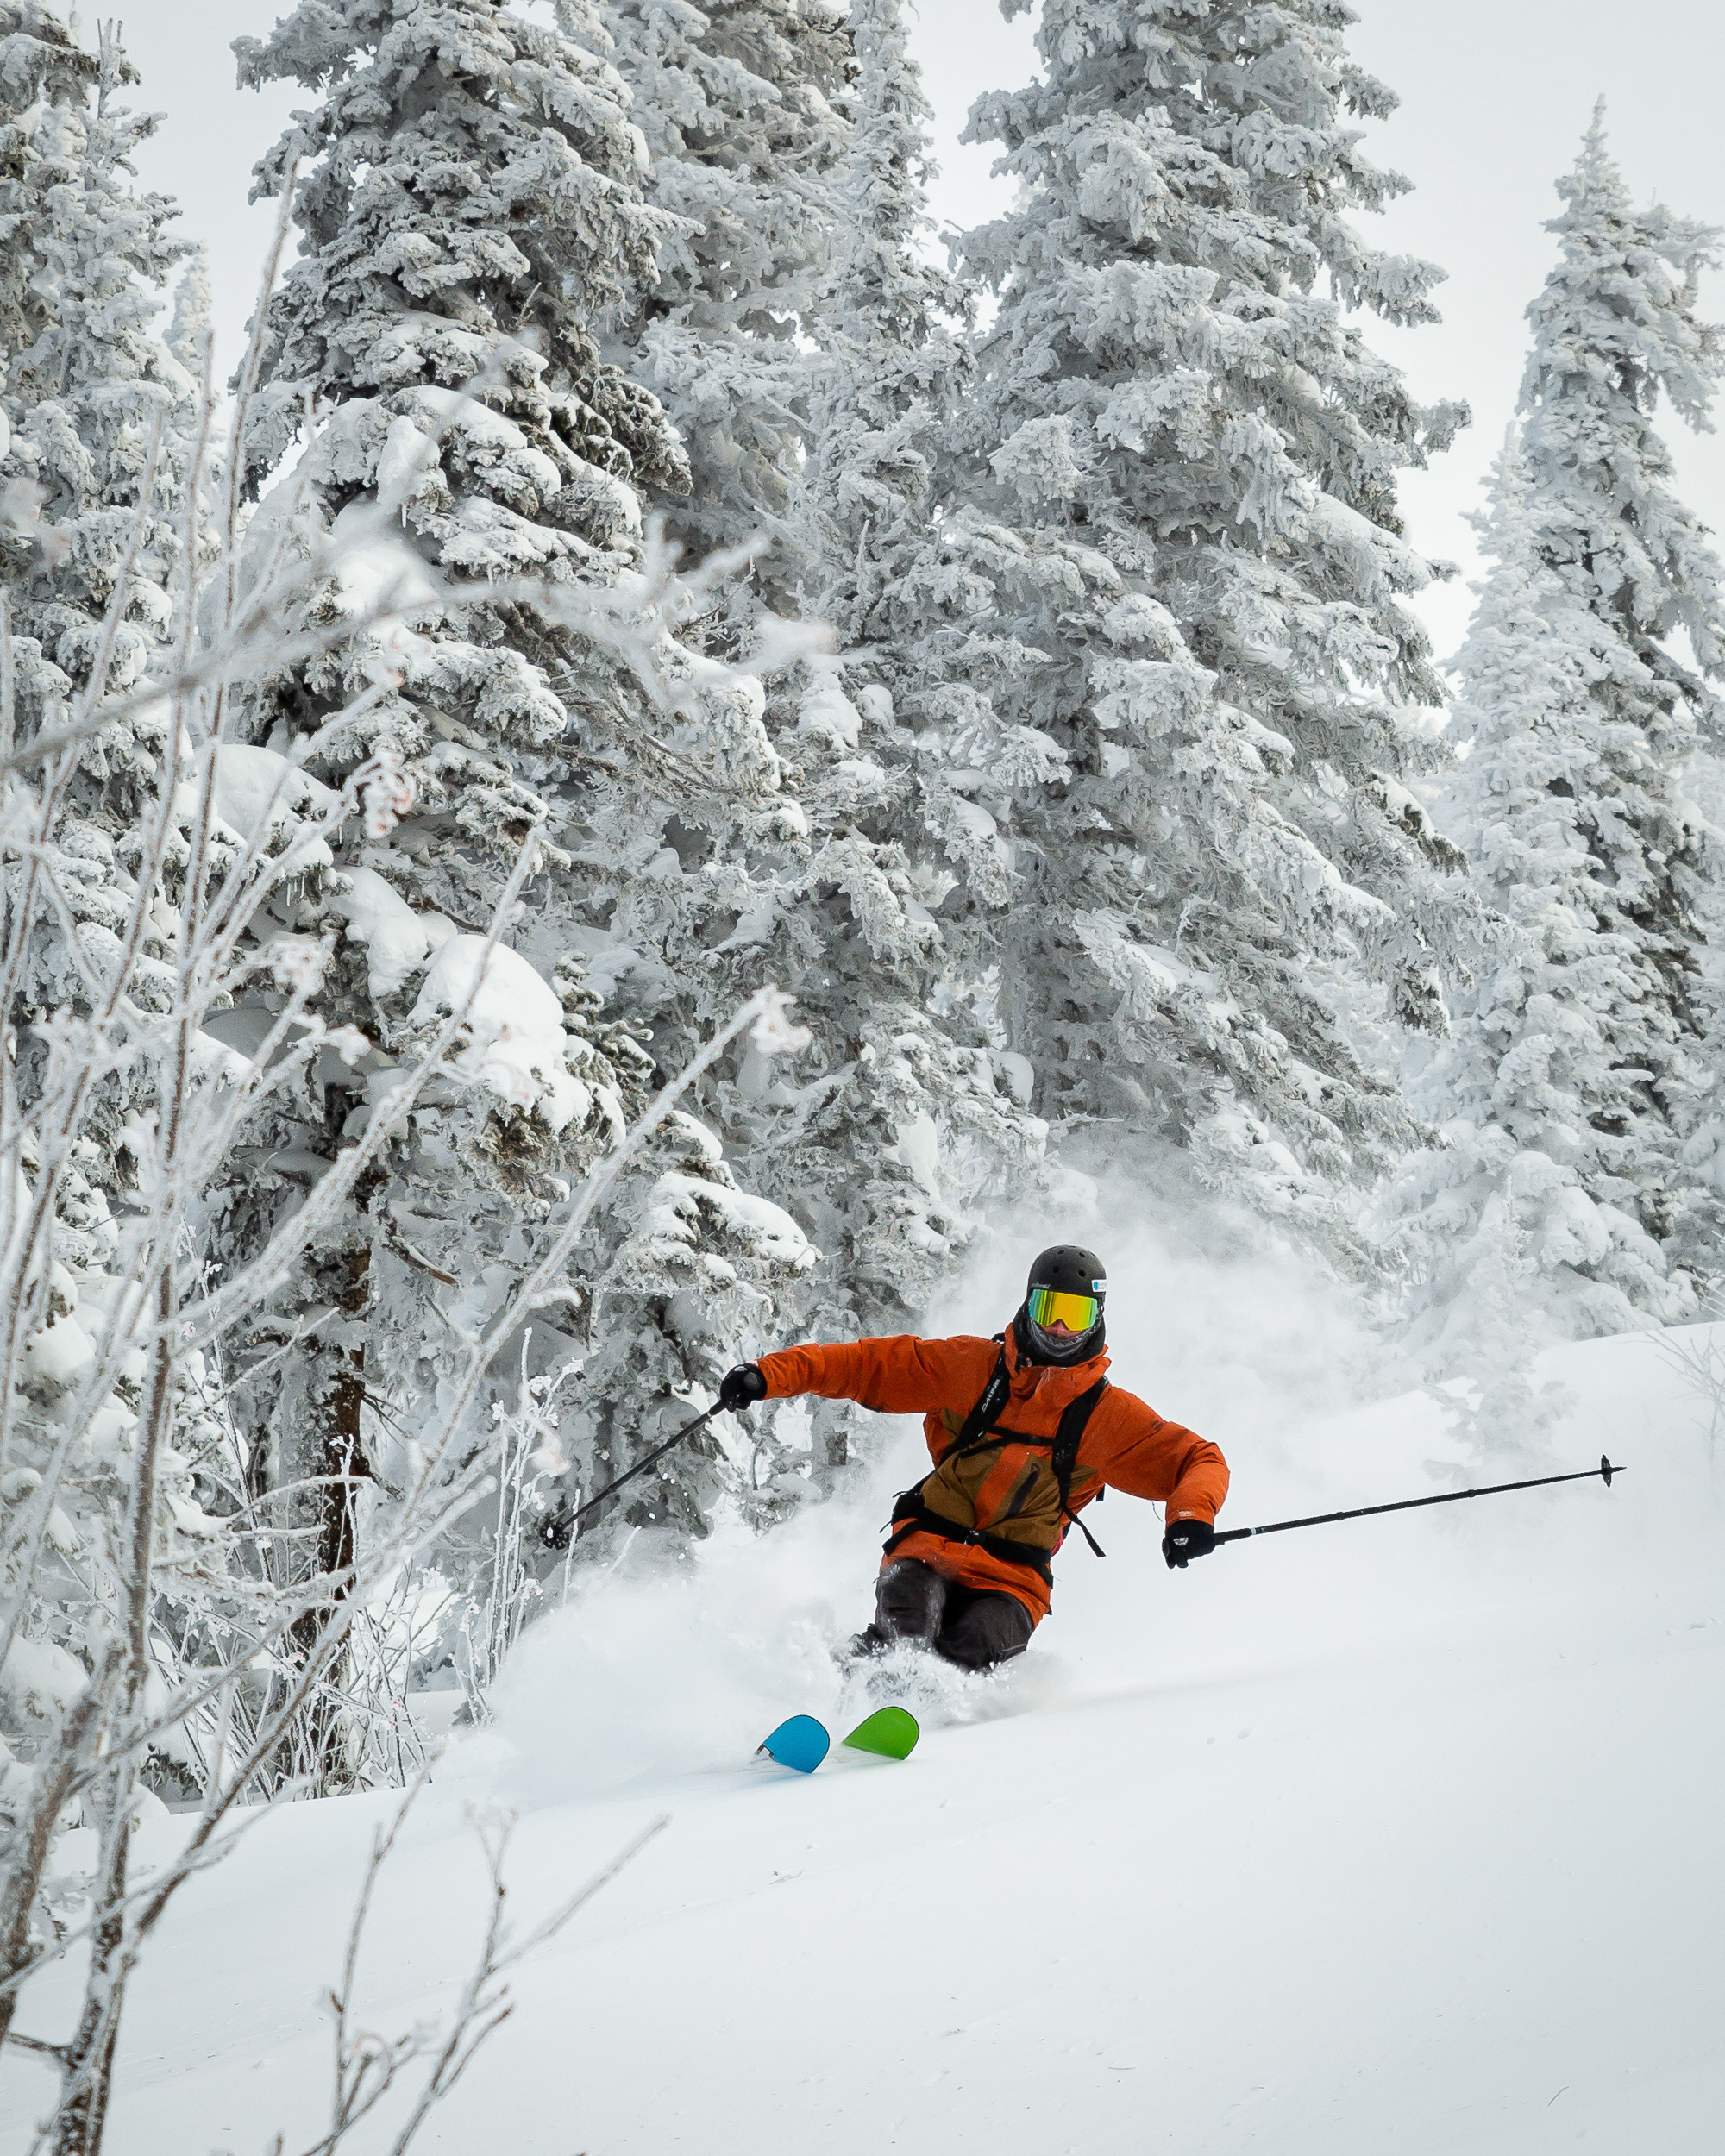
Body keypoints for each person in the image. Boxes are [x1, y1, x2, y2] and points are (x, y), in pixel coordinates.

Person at [717, 1244, 1229, 1670]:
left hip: (1014, 1576)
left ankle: (926, 1723)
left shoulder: (1106, 1417)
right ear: (1027, 1306)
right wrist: (768, 1376)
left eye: (1076, 1316)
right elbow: (868, 1366)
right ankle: (839, 1691)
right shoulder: (972, 1369)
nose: (1058, 1329)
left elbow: (1197, 1459)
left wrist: (1190, 1516)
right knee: (908, 1624)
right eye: (1047, 1310)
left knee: (974, 1643)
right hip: (928, 1544)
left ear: (1098, 1318)